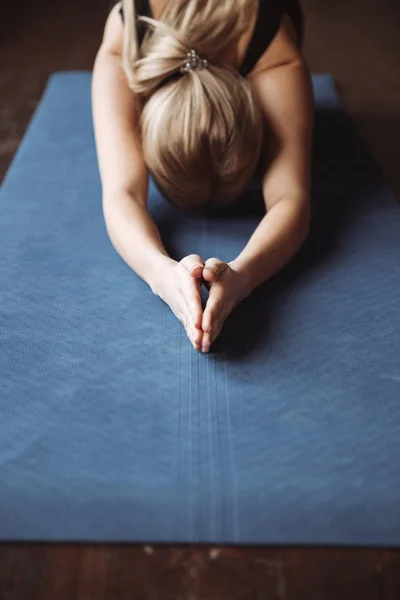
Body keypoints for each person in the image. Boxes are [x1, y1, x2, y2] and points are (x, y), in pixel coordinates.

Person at [92, 0, 314, 353]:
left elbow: (292, 198)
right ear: (143, 124)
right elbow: (122, 193)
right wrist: (160, 275)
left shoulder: (273, 50)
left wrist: (245, 276)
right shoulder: (126, 35)